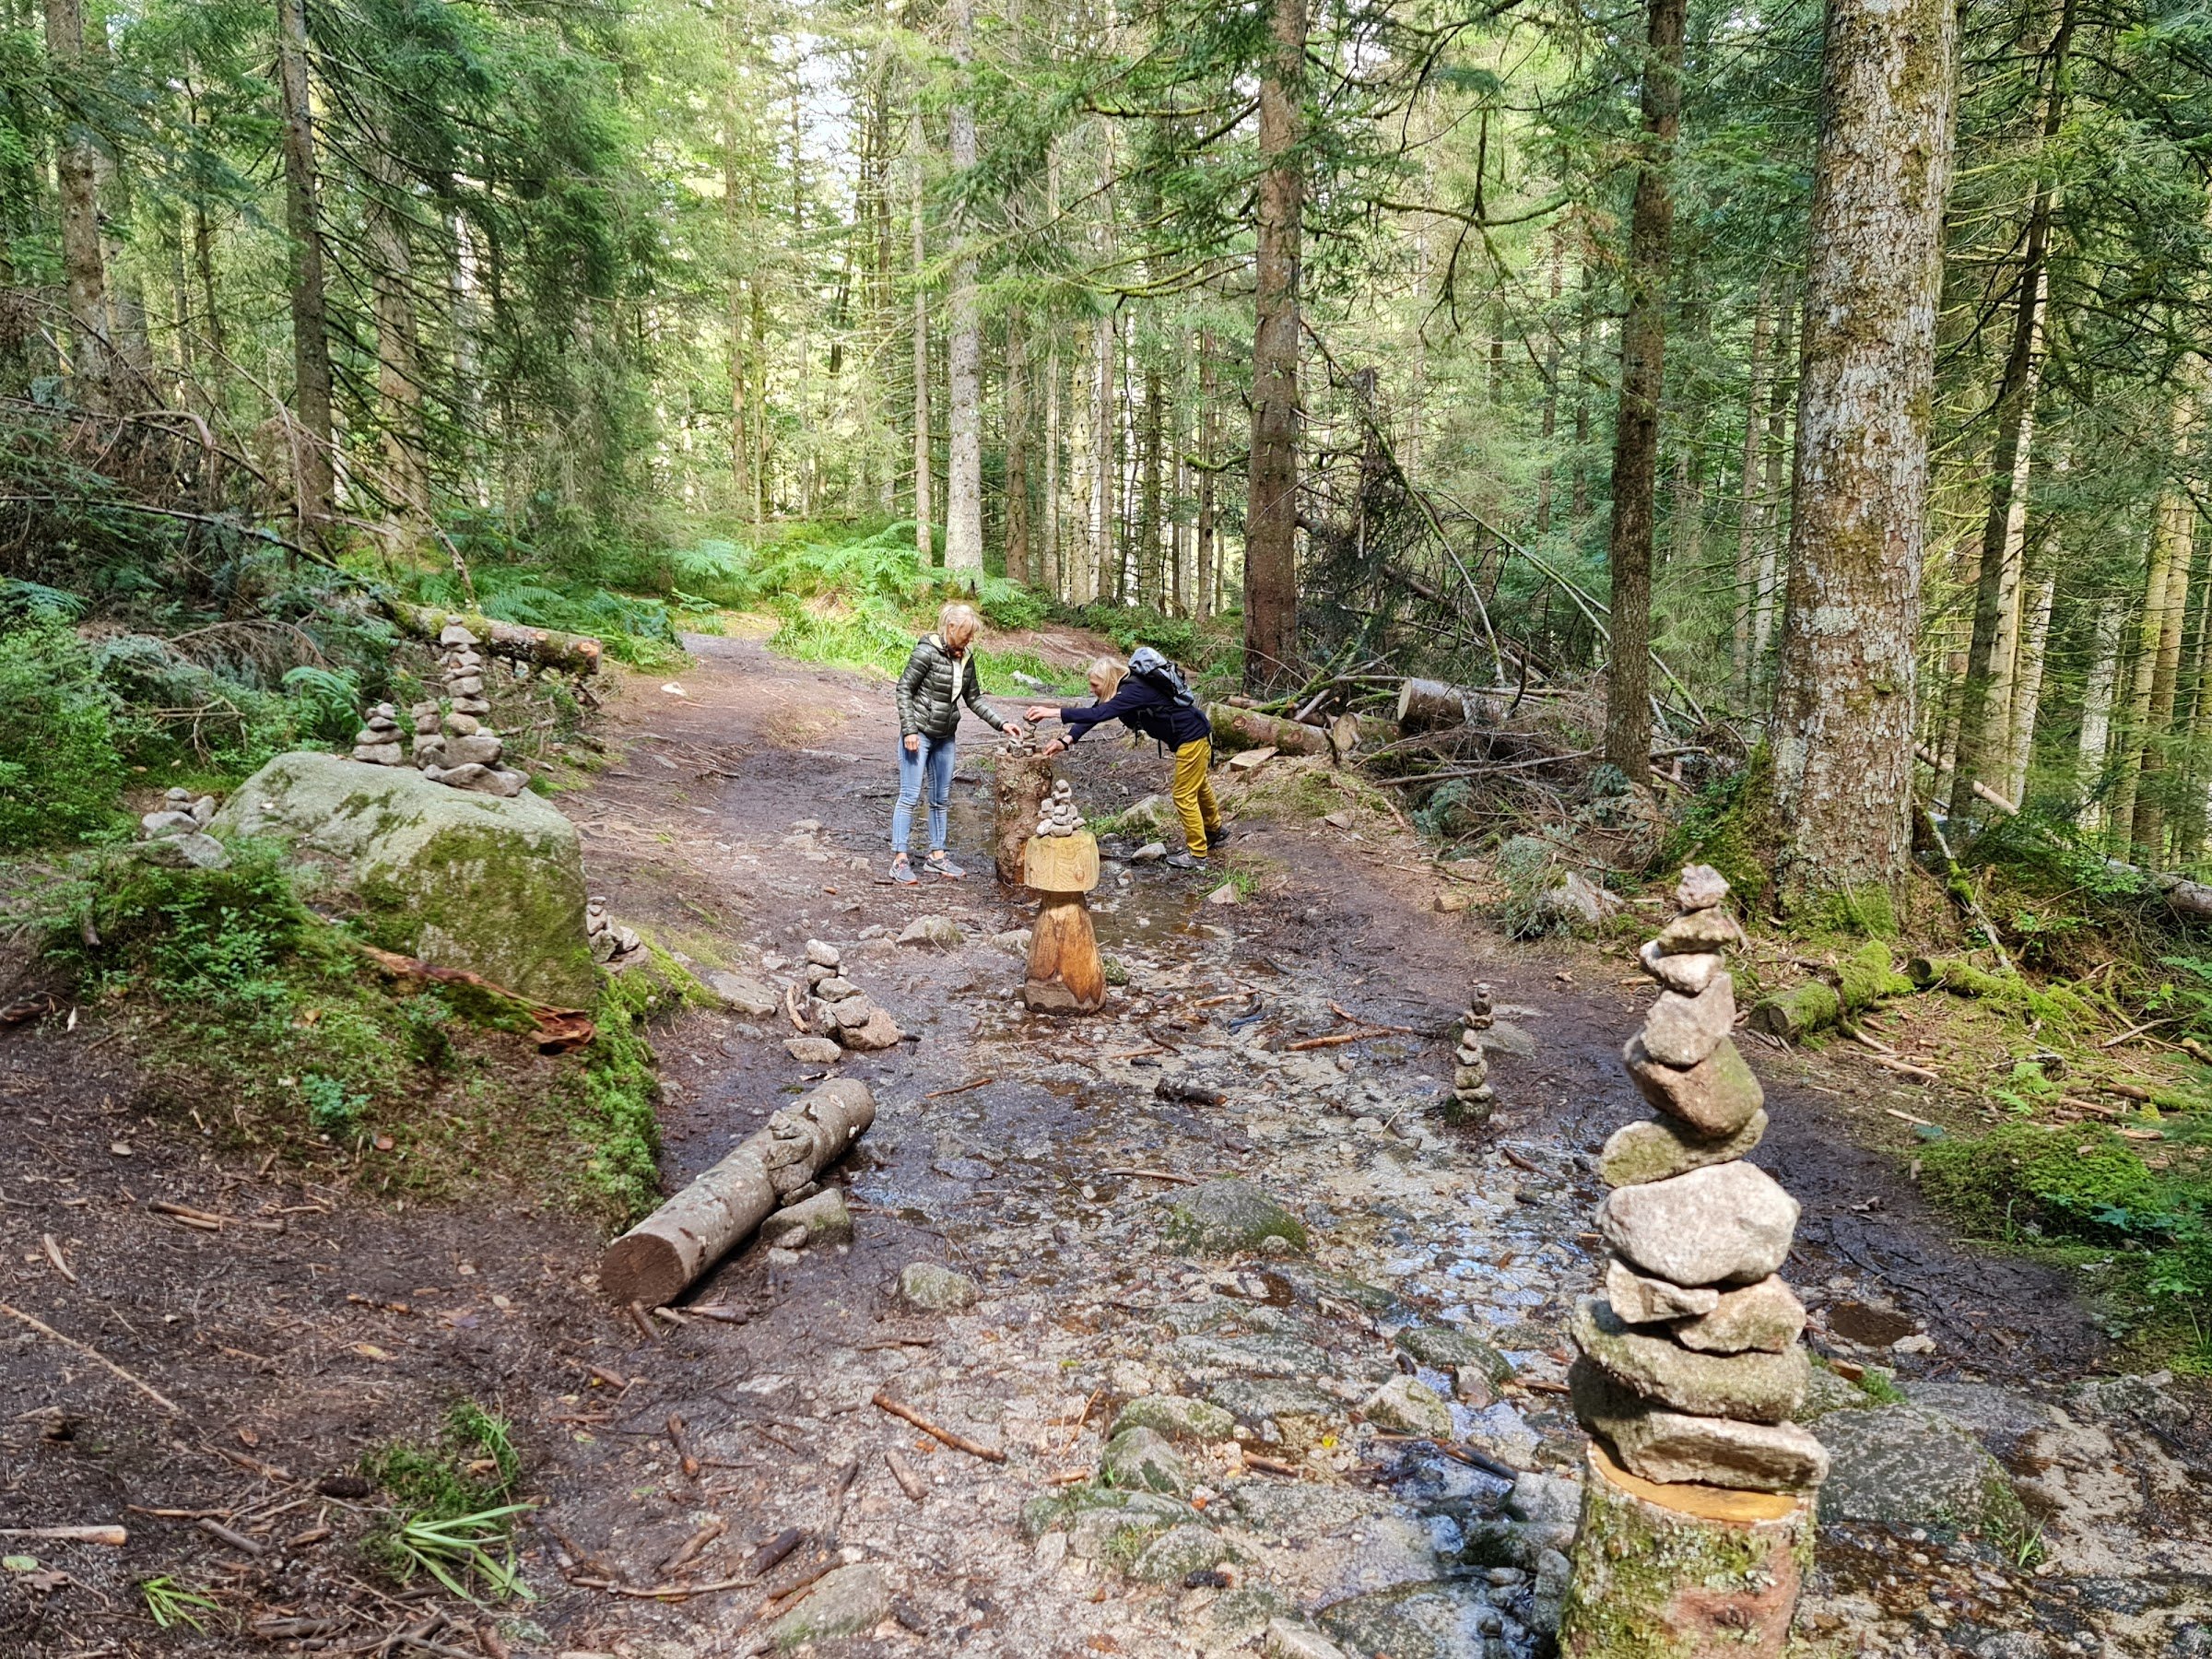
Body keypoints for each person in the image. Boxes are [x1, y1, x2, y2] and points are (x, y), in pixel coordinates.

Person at [1028, 653, 1224, 869]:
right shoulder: (1121, 688)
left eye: (1095, 685)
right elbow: (1094, 712)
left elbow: (1098, 714)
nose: (1092, 689)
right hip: (1190, 737)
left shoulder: (1134, 691)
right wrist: (1065, 741)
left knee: (1183, 794)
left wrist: (1052, 712)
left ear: (1109, 680)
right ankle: (1214, 830)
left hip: (1192, 738)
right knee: (1199, 786)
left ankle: (1197, 854)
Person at [890, 602, 1022, 884]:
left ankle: (937, 857)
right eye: (966, 634)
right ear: (951, 628)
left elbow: (973, 699)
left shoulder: (966, 659)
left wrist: (1002, 723)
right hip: (919, 735)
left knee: (940, 799)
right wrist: (910, 730)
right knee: (910, 796)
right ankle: (900, 859)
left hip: (945, 737)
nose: (969, 639)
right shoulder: (926, 651)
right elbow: (903, 689)